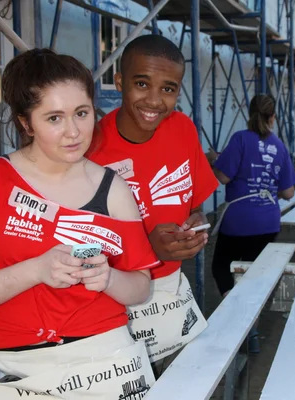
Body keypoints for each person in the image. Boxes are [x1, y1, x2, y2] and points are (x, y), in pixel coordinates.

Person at [0, 49, 159, 399]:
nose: (73, 132)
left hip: (108, 358)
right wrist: (37, 269)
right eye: (54, 118)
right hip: (22, 369)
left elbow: (140, 287)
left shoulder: (112, 188)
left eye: (82, 113)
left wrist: (107, 278)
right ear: (27, 123)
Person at [86, 35, 218, 370]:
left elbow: (194, 207)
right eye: (142, 83)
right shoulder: (90, 150)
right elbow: (77, 248)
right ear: (119, 82)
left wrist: (196, 226)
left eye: (168, 88)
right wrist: (147, 251)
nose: (155, 100)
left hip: (172, 299)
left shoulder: (183, 129)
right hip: (114, 303)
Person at [206, 94, 295, 298]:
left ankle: (234, 309)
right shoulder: (279, 146)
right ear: (272, 117)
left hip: (239, 219)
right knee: (253, 272)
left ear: (249, 113)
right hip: (268, 221)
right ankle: (250, 322)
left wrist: (214, 160)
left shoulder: (240, 139)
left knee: (222, 268)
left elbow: (223, 177)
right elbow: (289, 192)